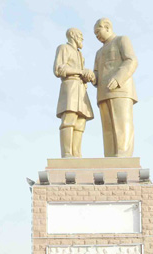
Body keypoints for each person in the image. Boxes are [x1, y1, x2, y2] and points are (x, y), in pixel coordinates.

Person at [92, 17, 138, 157]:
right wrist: (91, 76)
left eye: (98, 31)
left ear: (107, 27)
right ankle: (110, 157)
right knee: (108, 130)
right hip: (103, 93)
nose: (97, 36)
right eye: (95, 34)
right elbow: (97, 73)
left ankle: (123, 156)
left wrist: (118, 78)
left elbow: (132, 60)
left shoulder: (121, 40)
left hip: (121, 90)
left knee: (122, 124)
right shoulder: (98, 53)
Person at [54, 27, 95, 158]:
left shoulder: (80, 54)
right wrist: (80, 71)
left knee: (81, 119)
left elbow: (81, 72)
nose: (82, 38)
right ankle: (67, 153)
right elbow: (59, 69)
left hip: (81, 87)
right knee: (69, 118)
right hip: (70, 85)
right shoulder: (63, 48)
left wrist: (87, 75)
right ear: (72, 35)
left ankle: (76, 153)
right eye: (80, 35)